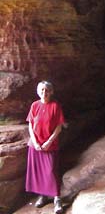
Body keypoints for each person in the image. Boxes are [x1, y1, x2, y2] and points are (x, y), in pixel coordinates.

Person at [25, 81, 65, 214]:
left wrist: (48, 141)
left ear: (51, 92)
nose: (44, 92)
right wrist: (35, 142)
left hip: (50, 144)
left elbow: (59, 127)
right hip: (35, 145)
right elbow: (30, 124)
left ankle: (57, 199)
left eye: (47, 90)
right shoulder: (34, 105)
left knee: (51, 172)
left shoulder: (55, 106)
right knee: (39, 172)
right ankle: (43, 195)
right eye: (42, 90)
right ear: (38, 92)